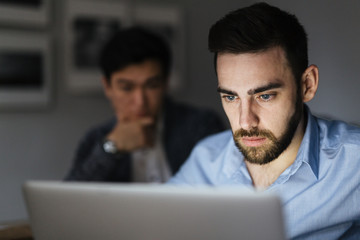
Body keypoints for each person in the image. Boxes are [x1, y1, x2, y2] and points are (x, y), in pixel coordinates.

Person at [169, 2, 360, 239]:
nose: (246, 121)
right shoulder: (206, 160)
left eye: (265, 96)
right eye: (231, 97)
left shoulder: (354, 165)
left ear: (307, 85)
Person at [65, 27, 225, 183]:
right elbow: (69, 200)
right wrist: (112, 147)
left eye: (152, 85)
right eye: (127, 88)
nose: (140, 101)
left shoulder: (201, 125)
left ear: (166, 83)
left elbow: (226, 186)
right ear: (107, 87)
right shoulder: (96, 138)